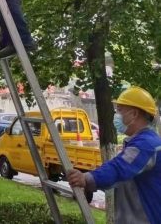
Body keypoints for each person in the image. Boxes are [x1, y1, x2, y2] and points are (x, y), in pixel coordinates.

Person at [67, 86, 161, 224]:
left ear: (134, 114)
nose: (116, 115)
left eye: (120, 110)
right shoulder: (142, 141)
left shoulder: (146, 144)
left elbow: (118, 169)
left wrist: (87, 179)